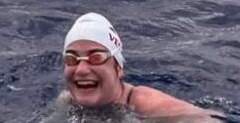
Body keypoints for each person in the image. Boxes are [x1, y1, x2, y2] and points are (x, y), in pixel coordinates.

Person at [51, 12, 220, 122]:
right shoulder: (67, 100)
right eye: (72, 59)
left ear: (118, 68)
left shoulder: (148, 104)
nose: (81, 70)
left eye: (96, 58)